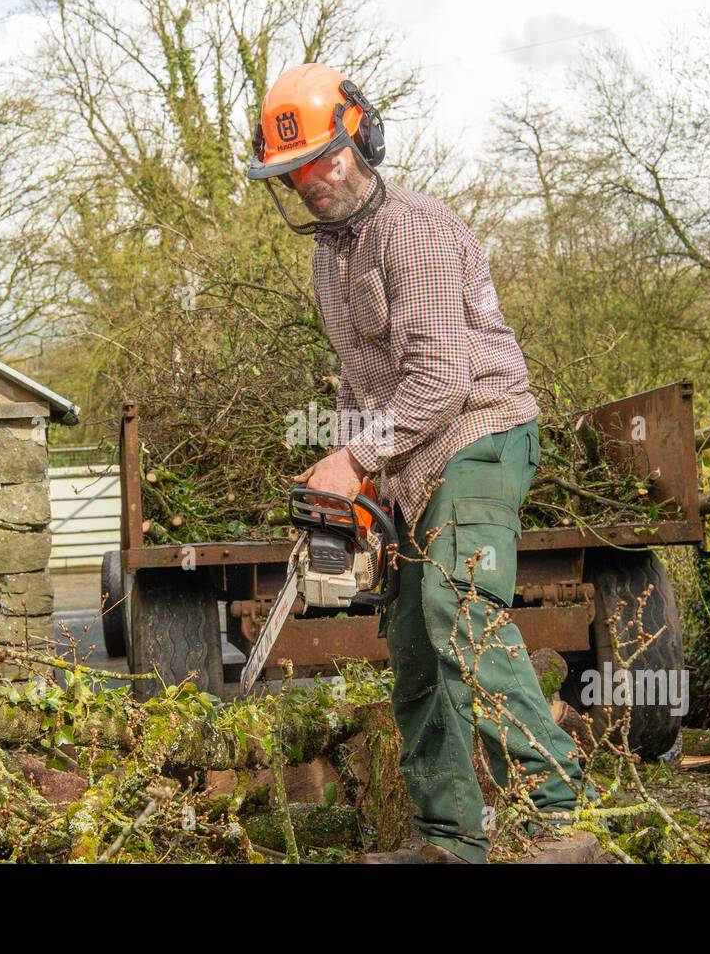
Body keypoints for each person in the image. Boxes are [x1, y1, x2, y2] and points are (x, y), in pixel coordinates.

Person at [246, 62, 607, 864]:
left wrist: (356, 456)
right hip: (411, 458)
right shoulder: (326, 262)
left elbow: (442, 380)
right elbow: (358, 380)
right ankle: (448, 837)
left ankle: (566, 818)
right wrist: (359, 480)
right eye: (294, 173)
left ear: (361, 139)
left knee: (456, 605)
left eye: (323, 161)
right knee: (411, 636)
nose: (312, 182)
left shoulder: (415, 229)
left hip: (479, 432)